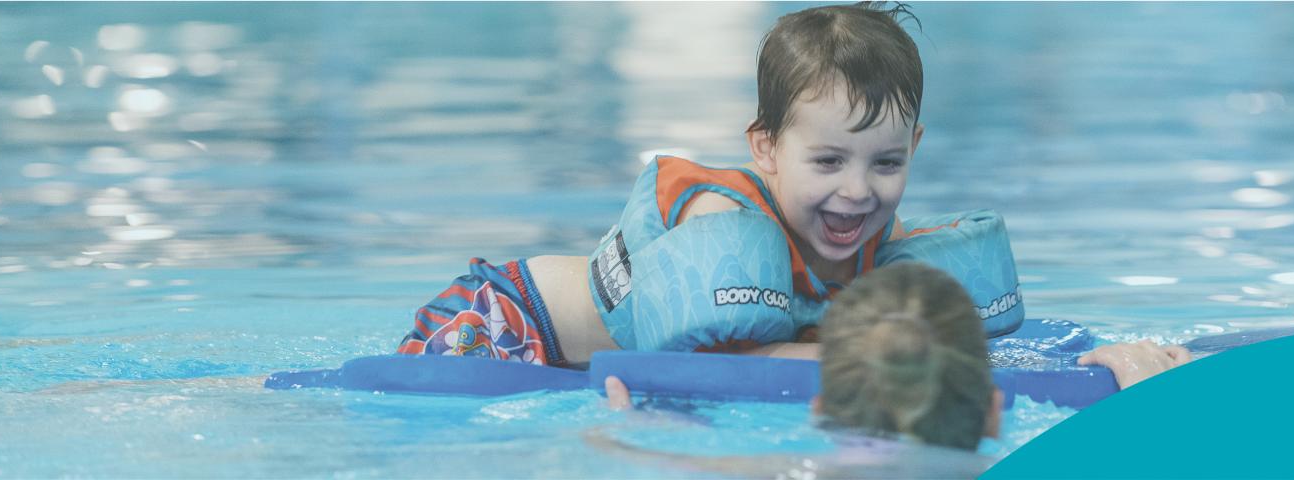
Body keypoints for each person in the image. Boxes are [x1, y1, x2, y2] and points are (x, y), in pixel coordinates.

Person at [394, 2, 985, 368]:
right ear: (766, 148)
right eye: (828, 162)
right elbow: (724, 370)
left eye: (885, 164)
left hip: (574, 368)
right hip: (504, 327)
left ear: (913, 147)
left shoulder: (882, 243)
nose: (858, 191)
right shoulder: (718, 220)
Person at [588, 263, 1189, 475]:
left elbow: (672, 460)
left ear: (819, 409)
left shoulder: (782, 471)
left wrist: (628, 426)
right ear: (992, 409)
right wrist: (1156, 395)